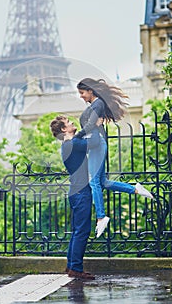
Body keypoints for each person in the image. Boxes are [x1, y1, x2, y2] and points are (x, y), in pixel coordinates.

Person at [75, 78, 154, 238]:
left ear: (90, 90)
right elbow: (91, 125)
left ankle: (101, 216)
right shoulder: (94, 105)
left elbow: (90, 126)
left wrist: (76, 137)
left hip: (97, 144)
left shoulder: (98, 104)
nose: (81, 96)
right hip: (95, 143)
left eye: (82, 93)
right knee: (102, 182)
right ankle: (136, 189)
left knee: (93, 182)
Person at [50, 115, 102, 280]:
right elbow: (93, 142)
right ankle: (76, 269)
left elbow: (81, 136)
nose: (72, 123)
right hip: (81, 193)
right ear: (64, 129)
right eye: (69, 123)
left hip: (75, 192)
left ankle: (72, 265)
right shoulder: (73, 144)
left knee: (76, 231)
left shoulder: (68, 145)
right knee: (82, 231)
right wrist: (96, 126)